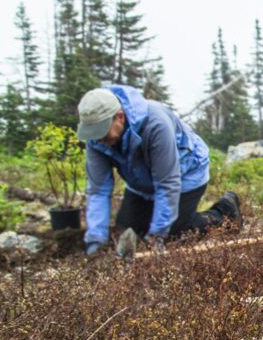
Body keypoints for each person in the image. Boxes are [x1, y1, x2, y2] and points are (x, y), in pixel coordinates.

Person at [76, 85, 242, 256]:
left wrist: (157, 237)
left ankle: (225, 213)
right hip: (141, 181)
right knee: (126, 231)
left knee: (173, 233)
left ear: (119, 117)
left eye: (103, 131)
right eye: (94, 133)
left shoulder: (156, 124)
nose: (99, 139)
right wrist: (95, 241)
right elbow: (98, 190)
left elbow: (168, 183)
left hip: (186, 173)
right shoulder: (96, 140)